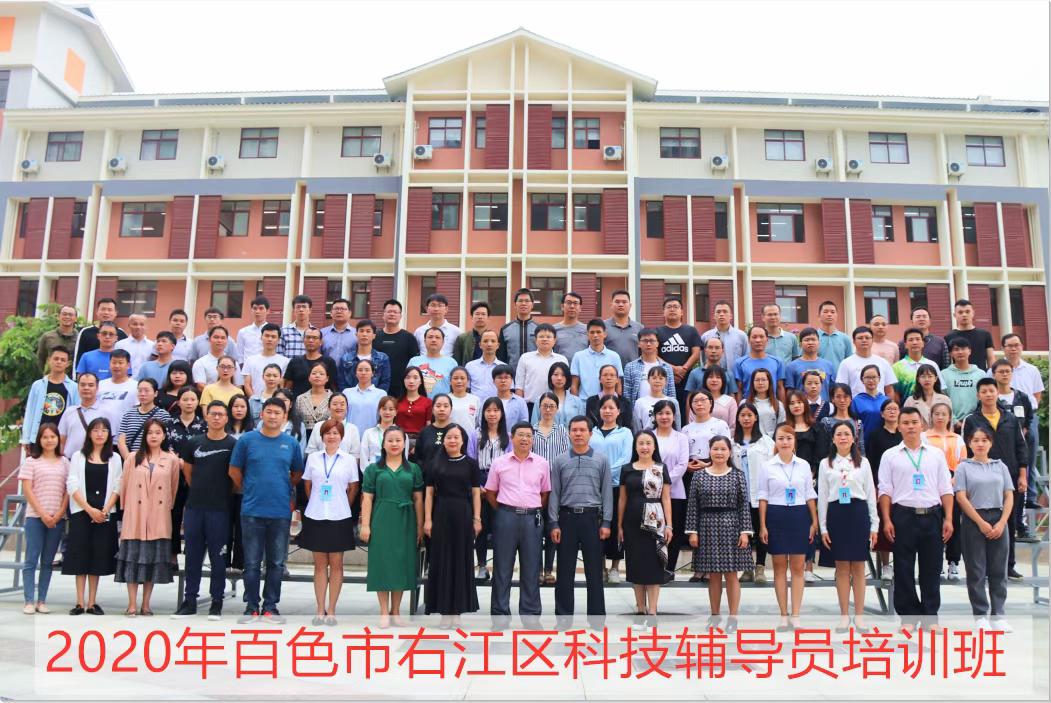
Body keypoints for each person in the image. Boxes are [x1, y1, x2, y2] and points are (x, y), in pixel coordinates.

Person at [878, 406, 954, 630]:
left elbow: (945, 488)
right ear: (899, 427)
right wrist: (887, 519)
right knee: (903, 568)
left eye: (914, 422)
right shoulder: (890, 455)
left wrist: (949, 518)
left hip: (932, 515)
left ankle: (930, 617)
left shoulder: (935, 454)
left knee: (931, 568)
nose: (910, 427)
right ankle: (908, 618)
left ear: (922, 425)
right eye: (906, 423)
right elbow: (885, 490)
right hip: (903, 516)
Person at [230, 398, 305, 624]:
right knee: (251, 562)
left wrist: (282, 487)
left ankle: (270, 606)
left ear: (285, 417)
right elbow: (234, 470)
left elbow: (297, 474)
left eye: (277, 413)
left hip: (280, 511)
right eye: (269, 412)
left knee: (276, 563)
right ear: (261, 414)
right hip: (252, 510)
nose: (273, 416)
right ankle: (251, 606)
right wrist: (249, 488)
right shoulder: (247, 440)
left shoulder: (291, 443)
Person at [172, 401, 236, 621]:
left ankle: (216, 602)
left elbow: (235, 476)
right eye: (213, 414)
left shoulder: (233, 444)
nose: (217, 418)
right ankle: (189, 601)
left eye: (221, 414)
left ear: (226, 418)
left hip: (220, 509)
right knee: (193, 556)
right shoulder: (194, 443)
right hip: (195, 507)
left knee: (218, 558)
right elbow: (188, 473)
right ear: (206, 417)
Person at [549, 416, 613, 626]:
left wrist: (606, 522)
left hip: (592, 519)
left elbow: (607, 492)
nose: (578, 434)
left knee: (594, 572)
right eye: (574, 430)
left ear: (590, 434)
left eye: (582, 430)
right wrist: (553, 522)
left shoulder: (601, 460)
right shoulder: (560, 461)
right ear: (568, 433)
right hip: (566, 518)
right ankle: (563, 619)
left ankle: (596, 620)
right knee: (564, 572)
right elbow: (555, 493)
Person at [962, 377, 1029, 581]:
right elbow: (966, 449)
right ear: (978, 395)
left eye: (991, 390)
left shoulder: (1010, 418)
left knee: (1009, 521)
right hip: (980, 478)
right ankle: (983, 568)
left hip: (1008, 476)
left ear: (997, 393)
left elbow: (1021, 446)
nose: (988, 394)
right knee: (980, 520)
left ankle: (1008, 565)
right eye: (984, 391)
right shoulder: (972, 420)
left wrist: (1023, 474)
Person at [485, 422, 551, 625]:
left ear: (533, 439)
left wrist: (531, 509)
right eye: (520, 435)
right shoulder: (499, 463)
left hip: (532, 519)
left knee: (531, 569)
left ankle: (530, 616)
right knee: (502, 568)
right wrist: (505, 510)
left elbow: (545, 493)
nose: (524, 439)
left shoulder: (542, 463)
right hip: (506, 516)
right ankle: (500, 616)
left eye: (528, 436)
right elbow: (490, 492)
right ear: (512, 437)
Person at [360, 425, 424, 628]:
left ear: (404, 444)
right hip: (381, 518)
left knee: (401, 565)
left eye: (398, 440)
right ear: (383, 444)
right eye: (390, 440)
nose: (394, 444)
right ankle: (383, 611)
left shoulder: (413, 469)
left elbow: (418, 499)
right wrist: (365, 525)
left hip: (406, 520)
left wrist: (420, 525)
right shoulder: (373, 469)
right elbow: (367, 498)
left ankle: (396, 611)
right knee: (382, 564)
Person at [817, 421, 879, 632]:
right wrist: (823, 527)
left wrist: (874, 525)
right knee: (842, 567)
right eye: (839, 434)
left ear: (853, 438)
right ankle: (844, 615)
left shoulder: (863, 463)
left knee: (859, 567)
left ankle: (859, 616)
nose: (843, 437)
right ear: (833, 439)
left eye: (846, 434)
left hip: (858, 514)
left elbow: (870, 494)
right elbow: (822, 497)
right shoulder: (826, 463)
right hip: (837, 514)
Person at [686, 436, 752, 630]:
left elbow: (744, 505)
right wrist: (693, 531)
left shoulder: (738, 475)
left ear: (730, 452)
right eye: (716, 448)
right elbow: (693, 506)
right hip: (707, 527)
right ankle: (714, 616)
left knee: (731, 574)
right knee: (713, 575)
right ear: (710, 451)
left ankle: (733, 617)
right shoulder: (699, 476)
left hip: (732, 526)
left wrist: (745, 532)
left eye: (723, 449)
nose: (719, 452)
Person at [115, 419, 180, 617]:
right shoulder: (132, 457)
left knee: (152, 561)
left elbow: (173, 488)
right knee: (132, 560)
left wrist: (165, 507)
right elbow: (124, 486)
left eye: (158, 432)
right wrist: (126, 511)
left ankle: (146, 604)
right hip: (135, 514)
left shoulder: (171, 459)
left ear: (164, 435)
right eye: (150, 432)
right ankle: (131, 604)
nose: (153, 436)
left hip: (158, 515)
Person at [299, 419, 360, 627]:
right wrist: (318, 501)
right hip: (316, 515)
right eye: (327, 433)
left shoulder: (349, 460)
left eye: (335, 433)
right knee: (319, 565)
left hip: (339, 516)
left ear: (341, 437)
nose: (331, 436)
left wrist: (341, 504)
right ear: (322, 436)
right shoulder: (313, 458)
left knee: (336, 565)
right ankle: (319, 610)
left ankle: (331, 610)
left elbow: (353, 488)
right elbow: (308, 485)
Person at [757, 424, 818, 631]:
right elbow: (763, 497)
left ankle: (796, 614)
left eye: (788, 438)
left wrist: (814, 521)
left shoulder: (803, 465)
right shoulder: (767, 466)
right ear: (775, 441)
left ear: (794, 441)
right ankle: (783, 614)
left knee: (798, 566)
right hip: (776, 515)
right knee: (780, 566)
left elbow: (809, 494)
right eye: (781, 438)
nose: (785, 442)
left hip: (799, 515)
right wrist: (763, 525)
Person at [954, 427, 1016, 632]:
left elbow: (1009, 495)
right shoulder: (963, 467)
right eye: (975, 440)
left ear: (991, 443)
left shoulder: (1000, 466)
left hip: (998, 518)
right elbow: (961, 497)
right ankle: (980, 615)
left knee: (999, 569)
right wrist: (980, 522)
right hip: (974, 519)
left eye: (984, 440)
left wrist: (1002, 522)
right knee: (976, 569)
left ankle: (998, 616)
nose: (980, 444)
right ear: (969, 443)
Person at [424, 425, 482, 627]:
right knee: (441, 561)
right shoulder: (435, 463)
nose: (453, 440)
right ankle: (443, 612)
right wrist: (428, 519)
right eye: (449, 437)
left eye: (457, 437)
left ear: (463, 440)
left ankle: (457, 612)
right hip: (441, 513)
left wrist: (477, 518)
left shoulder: (471, 464)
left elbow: (476, 493)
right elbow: (429, 493)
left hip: (463, 514)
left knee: (460, 562)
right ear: (444, 440)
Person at [64, 417, 121, 615]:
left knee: (97, 557)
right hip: (82, 511)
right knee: (81, 555)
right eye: (95, 430)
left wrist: (104, 510)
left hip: (104, 513)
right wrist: (89, 509)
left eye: (104, 430)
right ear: (89, 433)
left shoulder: (114, 458)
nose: (100, 434)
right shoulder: (78, 455)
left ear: (109, 434)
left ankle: (92, 602)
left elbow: (118, 485)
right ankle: (79, 602)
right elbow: (72, 484)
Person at [618, 430, 675, 616]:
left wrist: (669, 525)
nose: (645, 447)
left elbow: (666, 498)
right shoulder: (627, 469)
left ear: (654, 446)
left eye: (648, 443)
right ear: (635, 447)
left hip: (655, 524)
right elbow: (622, 499)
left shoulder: (660, 468)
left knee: (653, 565)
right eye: (641, 443)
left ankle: (652, 609)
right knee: (636, 564)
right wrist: (619, 526)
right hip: (632, 523)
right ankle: (640, 607)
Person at [18, 424, 70, 615]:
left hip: (57, 519)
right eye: (45, 437)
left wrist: (59, 513)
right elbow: (27, 490)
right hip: (35, 518)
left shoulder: (65, 462)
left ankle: (41, 600)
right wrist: (43, 514)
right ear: (39, 440)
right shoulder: (31, 462)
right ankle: (28, 601)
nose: (49, 440)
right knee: (31, 560)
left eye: (52, 436)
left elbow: (68, 491)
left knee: (48, 561)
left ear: (58, 439)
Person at [990, 357, 1037, 541]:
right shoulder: (991, 397)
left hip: (1018, 449)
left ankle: (1020, 525)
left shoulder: (1021, 397)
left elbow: (1029, 418)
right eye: (1000, 371)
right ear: (994, 374)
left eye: (1007, 371)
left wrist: (1023, 430)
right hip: (997, 450)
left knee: (1019, 488)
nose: (1004, 375)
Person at [733, 403, 775, 584]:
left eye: (749, 415)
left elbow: (774, 466)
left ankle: (760, 567)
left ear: (756, 417)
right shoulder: (732, 442)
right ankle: (747, 568)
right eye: (742, 415)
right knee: (744, 532)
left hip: (760, 494)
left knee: (761, 530)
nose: (746, 418)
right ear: (738, 418)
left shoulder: (766, 441)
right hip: (740, 495)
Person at [532, 393, 571, 585]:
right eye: (545, 406)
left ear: (557, 409)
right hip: (534, 488)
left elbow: (566, 458)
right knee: (535, 530)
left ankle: (549, 569)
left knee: (552, 527)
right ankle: (537, 570)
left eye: (551, 406)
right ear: (539, 407)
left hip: (556, 486)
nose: (548, 410)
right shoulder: (531, 431)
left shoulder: (562, 431)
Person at [924, 402, 966, 581]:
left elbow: (963, 462)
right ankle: (937, 562)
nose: (940, 417)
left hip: (953, 482)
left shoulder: (957, 438)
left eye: (944, 414)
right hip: (932, 483)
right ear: (931, 416)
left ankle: (953, 562)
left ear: (950, 417)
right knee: (934, 525)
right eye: (937, 414)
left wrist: (953, 480)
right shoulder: (924, 437)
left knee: (954, 522)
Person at [472, 397, 510, 580]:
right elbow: (471, 459)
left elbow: (510, 462)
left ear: (501, 413)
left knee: (500, 528)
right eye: (488, 410)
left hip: (502, 483)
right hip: (480, 479)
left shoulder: (508, 437)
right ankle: (481, 565)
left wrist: (500, 487)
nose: (492, 414)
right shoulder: (476, 435)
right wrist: (477, 486)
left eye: (496, 410)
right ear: (483, 413)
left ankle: (499, 567)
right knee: (481, 526)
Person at [651, 400, 690, 578]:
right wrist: (654, 483)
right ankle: (654, 567)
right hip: (651, 492)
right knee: (653, 531)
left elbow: (682, 465)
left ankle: (669, 568)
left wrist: (664, 482)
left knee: (672, 530)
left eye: (668, 413)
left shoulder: (681, 438)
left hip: (675, 492)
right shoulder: (649, 436)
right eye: (660, 413)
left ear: (674, 416)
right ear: (655, 416)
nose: (664, 417)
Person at [166, 387, 205, 561]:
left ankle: (192, 553)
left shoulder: (204, 426)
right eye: (185, 399)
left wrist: (188, 463)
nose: (189, 403)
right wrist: (177, 461)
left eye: (192, 399)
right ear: (178, 402)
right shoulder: (169, 424)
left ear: (198, 402)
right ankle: (172, 554)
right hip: (172, 475)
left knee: (194, 516)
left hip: (196, 476)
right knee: (173, 515)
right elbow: (165, 447)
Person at [22, 346, 79, 454]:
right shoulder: (38, 385)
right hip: (38, 438)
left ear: (68, 364)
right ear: (49, 360)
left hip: (62, 440)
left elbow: (76, 416)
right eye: (56, 359)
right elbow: (30, 412)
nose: (59, 362)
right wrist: (26, 438)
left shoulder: (74, 388)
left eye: (63, 360)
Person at [656, 296, 702, 410]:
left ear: (681, 312)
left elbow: (696, 354)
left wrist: (683, 370)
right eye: (669, 307)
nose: (672, 309)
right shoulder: (657, 332)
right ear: (663, 312)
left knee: (687, 408)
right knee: (665, 409)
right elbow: (654, 355)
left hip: (688, 379)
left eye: (676, 307)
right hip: (664, 379)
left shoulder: (691, 330)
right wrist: (672, 370)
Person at [416, 394, 478, 470]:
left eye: (446, 406)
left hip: (454, 474)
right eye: (438, 406)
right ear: (432, 409)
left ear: (451, 409)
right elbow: (418, 457)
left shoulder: (458, 431)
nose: (442, 409)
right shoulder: (425, 432)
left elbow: (464, 456)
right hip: (428, 475)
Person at [515, 323, 567, 411]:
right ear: (535, 340)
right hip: (530, 405)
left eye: (548, 337)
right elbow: (519, 386)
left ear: (554, 340)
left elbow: (566, 385)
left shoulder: (561, 359)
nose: (545, 339)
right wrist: (521, 408)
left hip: (554, 406)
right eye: (541, 336)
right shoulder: (525, 358)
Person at [376, 299, 421, 399]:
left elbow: (415, 364)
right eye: (389, 311)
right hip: (378, 387)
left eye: (395, 312)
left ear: (400, 316)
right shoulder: (375, 337)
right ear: (383, 315)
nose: (392, 314)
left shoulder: (409, 338)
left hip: (402, 389)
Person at [117, 379, 172, 458]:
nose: (142, 394)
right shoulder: (128, 415)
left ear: (155, 393)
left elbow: (167, 440)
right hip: (132, 459)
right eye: (140, 391)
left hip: (155, 460)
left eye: (146, 391)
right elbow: (121, 441)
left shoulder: (163, 415)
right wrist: (129, 459)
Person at [836, 326, 896, 398]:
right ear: (854, 341)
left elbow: (889, 390)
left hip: (880, 404)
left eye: (867, 338)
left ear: (872, 340)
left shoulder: (883, 363)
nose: (864, 340)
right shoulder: (846, 363)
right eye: (860, 338)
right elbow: (842, 389)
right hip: (855, 404)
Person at [571, 319, 624, 401]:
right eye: (592, 332)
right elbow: (574, 385)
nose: (595, 335)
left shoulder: (614, 356)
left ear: (605, 334)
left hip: (608, 404)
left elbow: (618, 384)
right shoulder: (578, 356)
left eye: (598, 332)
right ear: (587, 334)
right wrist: (576, 404)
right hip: (584, 403)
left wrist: (617, 403)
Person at [622, 328, 676, 407]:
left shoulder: (666, 368)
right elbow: (627, 395)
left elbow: (671, 394)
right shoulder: (630, 367)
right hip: (639, 411)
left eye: (652, 341)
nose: (648, 344)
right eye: (645, 341)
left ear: (657, 343)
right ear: (639, 343)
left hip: (662, 411)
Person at [940, 337, 985, 428]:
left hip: (977, 423)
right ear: (951, 353)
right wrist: (954, 421)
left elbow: (984, 400)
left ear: (970, 351)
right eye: (956, 349)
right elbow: (941, 400)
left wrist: (976, 419)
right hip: (950, 424)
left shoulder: (981, 374)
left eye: (963, 348)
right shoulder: (943, 374)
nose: (960, 352)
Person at [784, 327, 837, 401]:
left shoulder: (828, 365)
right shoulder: (791, 367)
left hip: (824, 406)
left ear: (819, 343)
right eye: (807, 340)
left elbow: (833, 390)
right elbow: (789, 392)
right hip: (801, 407)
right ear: (800, 344)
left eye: (813, 339)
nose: (810, 342)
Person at [72, 297, 127, 369]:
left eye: (110, 310)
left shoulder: (121, 333)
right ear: (97, 312)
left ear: (115, 313)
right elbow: (78, 358)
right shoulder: (86, 332)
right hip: (89, 374)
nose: (106, 312)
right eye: (103, 309)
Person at [283, 328, 338, 399]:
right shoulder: (295, 361)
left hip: (323, 403)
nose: (311, 340)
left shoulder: (329, 362)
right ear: (303, 340)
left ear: (321, 342)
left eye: (315, 338)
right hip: (298, 402)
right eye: (308, 337)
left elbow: (333, 387)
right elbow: (288, 387)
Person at [735, 326, 786, 401]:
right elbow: (739, 390)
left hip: (771, 405)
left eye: (761, 337)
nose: (758, 340)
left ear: (767, 340)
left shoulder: (777, 362)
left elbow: (780, 387)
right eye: (754, 337)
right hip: (748, 406)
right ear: (748, 340)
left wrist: (782, 407)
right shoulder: (739, 363)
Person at [339, 319, 391, 393]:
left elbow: (385, 382)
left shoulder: (382, 358)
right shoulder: (346, 358)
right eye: (361, 331)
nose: (364, 334)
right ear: (356, 334)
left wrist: (375, 396)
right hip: (351, 398)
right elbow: (341, 383)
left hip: (375, 398)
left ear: (374, 336)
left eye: (368, 331)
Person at [944, 298, 996, 371]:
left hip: (981, 376)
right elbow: (947, 361)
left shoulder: (985, 334)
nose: (964, 315)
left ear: (973, 313)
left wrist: (992, 374)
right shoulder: (949, 337)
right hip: (958, 376)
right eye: (960, 312)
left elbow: (990, 358)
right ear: (954, 315)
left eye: (967, 312)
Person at [306, 393, 362, 458]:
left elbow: (355, 455)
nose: (338, 407)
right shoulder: (318, 426)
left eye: (342, 404)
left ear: (347, 408)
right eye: (335, 404)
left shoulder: (353, 429)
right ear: (328, 407)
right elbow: (311, 452)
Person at [241, 323, 289, 398]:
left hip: (276, 402)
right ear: (261, 337)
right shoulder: (250, 360)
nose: (269, 339)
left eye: (273, 337)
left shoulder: (285, 361)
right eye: (267, 336)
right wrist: (255, 401)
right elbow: (247, 385)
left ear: (278, 340)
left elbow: (282, 385)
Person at [700, 300, 749, 373]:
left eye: (725, 311)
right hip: (712, 377)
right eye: (718, 312)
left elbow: (746, 358)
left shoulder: (741, 336)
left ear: (731, 316)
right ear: (714, 316)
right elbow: (702, 360)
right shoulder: (706, 336)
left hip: (735, 377)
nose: (721, 314)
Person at [342, 358, 387, 440]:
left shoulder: (381, 394)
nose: (363, 373)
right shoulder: (346, 392)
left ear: (373, 373)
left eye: (367, 370)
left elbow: (383, 418)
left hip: (372, 438)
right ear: (355, 373)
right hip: (349, 437)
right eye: (360, 370)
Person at [818, 383, 866, 458]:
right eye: (838, 397)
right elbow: (823, 447)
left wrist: (862, 462)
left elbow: (861, 447)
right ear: (832, 399)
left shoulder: (857, 423)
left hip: (853, 462)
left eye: (845, 396)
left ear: (850, 399)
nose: (842, 400)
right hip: (832, 461)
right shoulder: (826, 422)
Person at [529, 361, 585, 426]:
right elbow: (534, 425)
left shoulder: (577, 402)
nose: (559, 378)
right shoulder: (540, 400)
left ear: (567, 378)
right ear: (550, 377)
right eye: (556, 374)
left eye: (563, 375)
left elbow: (582, 425)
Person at [408, 327, 458, 397]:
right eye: (430, 337)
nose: (434, 340)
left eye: (437, 337)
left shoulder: (451, 363)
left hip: (442, 403)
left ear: (443, 342)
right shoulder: (414, 361)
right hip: (419, 402)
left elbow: (456, 387)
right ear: (424, 341)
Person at [97, 350, 139, 432]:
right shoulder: (100, 385)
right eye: (114, 362)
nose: (117, 366)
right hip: (102, 434)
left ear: (128, 365)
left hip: (125, 434)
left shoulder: (136, 386)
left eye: (120, 363)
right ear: (109, 364)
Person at [893, 327, 941, 400]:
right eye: (911, 340)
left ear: (923, 343)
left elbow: (939, 388)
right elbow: (895, 393)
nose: (915, 343)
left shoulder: (932, 364)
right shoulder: (897, 367)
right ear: (905, 344)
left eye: (918, 339)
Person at [498, 287, 538, 371]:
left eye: (527, 301)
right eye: (520, 301)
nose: (523, 303)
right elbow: (501, 357)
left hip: (534, 374)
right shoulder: (505, 329)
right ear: (515, 305)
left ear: (532, 305)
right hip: (512, 375)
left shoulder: (539, 329)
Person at [192, 326, 242, 390]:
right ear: (209, 339)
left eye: (223, 338)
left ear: (227, 341)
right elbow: (200, 386)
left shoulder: (234, 363)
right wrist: (218, 394)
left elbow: (238, 386)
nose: (219, 340)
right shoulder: (200, 363)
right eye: (216, 337)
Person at [396, 367, 432, 456]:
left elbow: (429, 427)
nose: (411, 381)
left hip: (419, 442)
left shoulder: (428, 402)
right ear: (403, 381)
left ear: (421, 381)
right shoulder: (396, 402)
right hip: (398, 442)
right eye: (408, 377)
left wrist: (419, 445)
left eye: (415, 378)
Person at [604, 289, 644, 367]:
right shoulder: (603, 327)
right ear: (611, 305)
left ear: (630, 305)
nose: (621, 304)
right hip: (610, 372)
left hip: (633, 371)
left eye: (624, 302)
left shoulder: (639, 328)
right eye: (617, 302)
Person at [633, 366, 681, 432]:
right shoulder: (640, 402)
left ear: (666, 381)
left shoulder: (673, 401)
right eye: (654, 378)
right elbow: (637, 427)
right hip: (647, 437)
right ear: (648, 380)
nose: (657, 381)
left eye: (661, 378)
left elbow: (677, 427)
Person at [414, 293, 461, 357]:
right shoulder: (419, 331)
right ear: (427, 309)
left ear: (446, 309)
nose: (436, 309)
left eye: (440, 306)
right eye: (433, 305)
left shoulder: (456, 331)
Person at [852, 364, 890, 442]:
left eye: (874, 377)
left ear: (879, 379)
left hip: (884, 441)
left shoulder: (886, 400)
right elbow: (854, 424)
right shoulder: (856, 401)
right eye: (867, 377)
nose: (871, 380)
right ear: (862, 380)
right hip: (865, 441)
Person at [37, 304, 78, 372]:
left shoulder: (80, 338)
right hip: (51, 376)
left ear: (76, 319)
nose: (67, 317)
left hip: (72, 377)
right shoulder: (47, 337)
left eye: (70, 315)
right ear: (58, 317)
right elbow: (40, 360)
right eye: (64, 314)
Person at [360, 395, 398, 470]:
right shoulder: (368, 433)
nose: (387, 412)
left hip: (394, 474)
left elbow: (404, 459)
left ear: (396, 412)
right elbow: (363, 458)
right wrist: (369, 474)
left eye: (391, 409)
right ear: (379, 411)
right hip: (372, 474)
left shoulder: (402, 435)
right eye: (384, 409)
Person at [295, 363, 334, 434]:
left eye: (321, 374)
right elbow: (297, 421)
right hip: (304, 436)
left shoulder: (333, 398)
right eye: (314, 373)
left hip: (326, 435)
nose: (317, 376)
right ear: (309, 377)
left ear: (327, 378)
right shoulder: (300, 398)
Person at [465, 328, 501, 403]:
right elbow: (466, 390)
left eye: (493, 341)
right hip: (475, 406)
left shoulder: (503, 367)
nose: (489, 344)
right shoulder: (470, 366)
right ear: (480, 345)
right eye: (485, 341)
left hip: (497, 408)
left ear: (498, 345)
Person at [320, 298, 358, 369]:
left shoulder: (357, 334)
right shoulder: (322, 333)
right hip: (327, 373)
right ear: (331, 313)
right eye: (336, 309)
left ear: (350, 313)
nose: (339, 311)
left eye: (343, 309)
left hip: (349, 373)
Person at [746, 368, 785, 437]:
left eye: (763, 380)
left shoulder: (778, 405)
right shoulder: (745, 403)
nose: (760, 383)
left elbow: (782, 428)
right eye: (757, 380)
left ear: (769, 382)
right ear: (752, 383)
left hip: (771, 441)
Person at [815, 300, 853, 369]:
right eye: (825, 312)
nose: (829, 314)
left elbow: (850, 363)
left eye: (832, 312)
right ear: (818, 316)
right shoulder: (812, 337)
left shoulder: (845, 338)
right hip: (817, 375)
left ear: (836, 316)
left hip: (839, 376)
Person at [277, 294, 316, 358]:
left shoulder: (315, 332)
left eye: (304, 307)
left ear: (310, 310)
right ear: (293, 310)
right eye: (298, 307)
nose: (301, 309)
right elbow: (279, 356)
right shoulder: (283, 331)